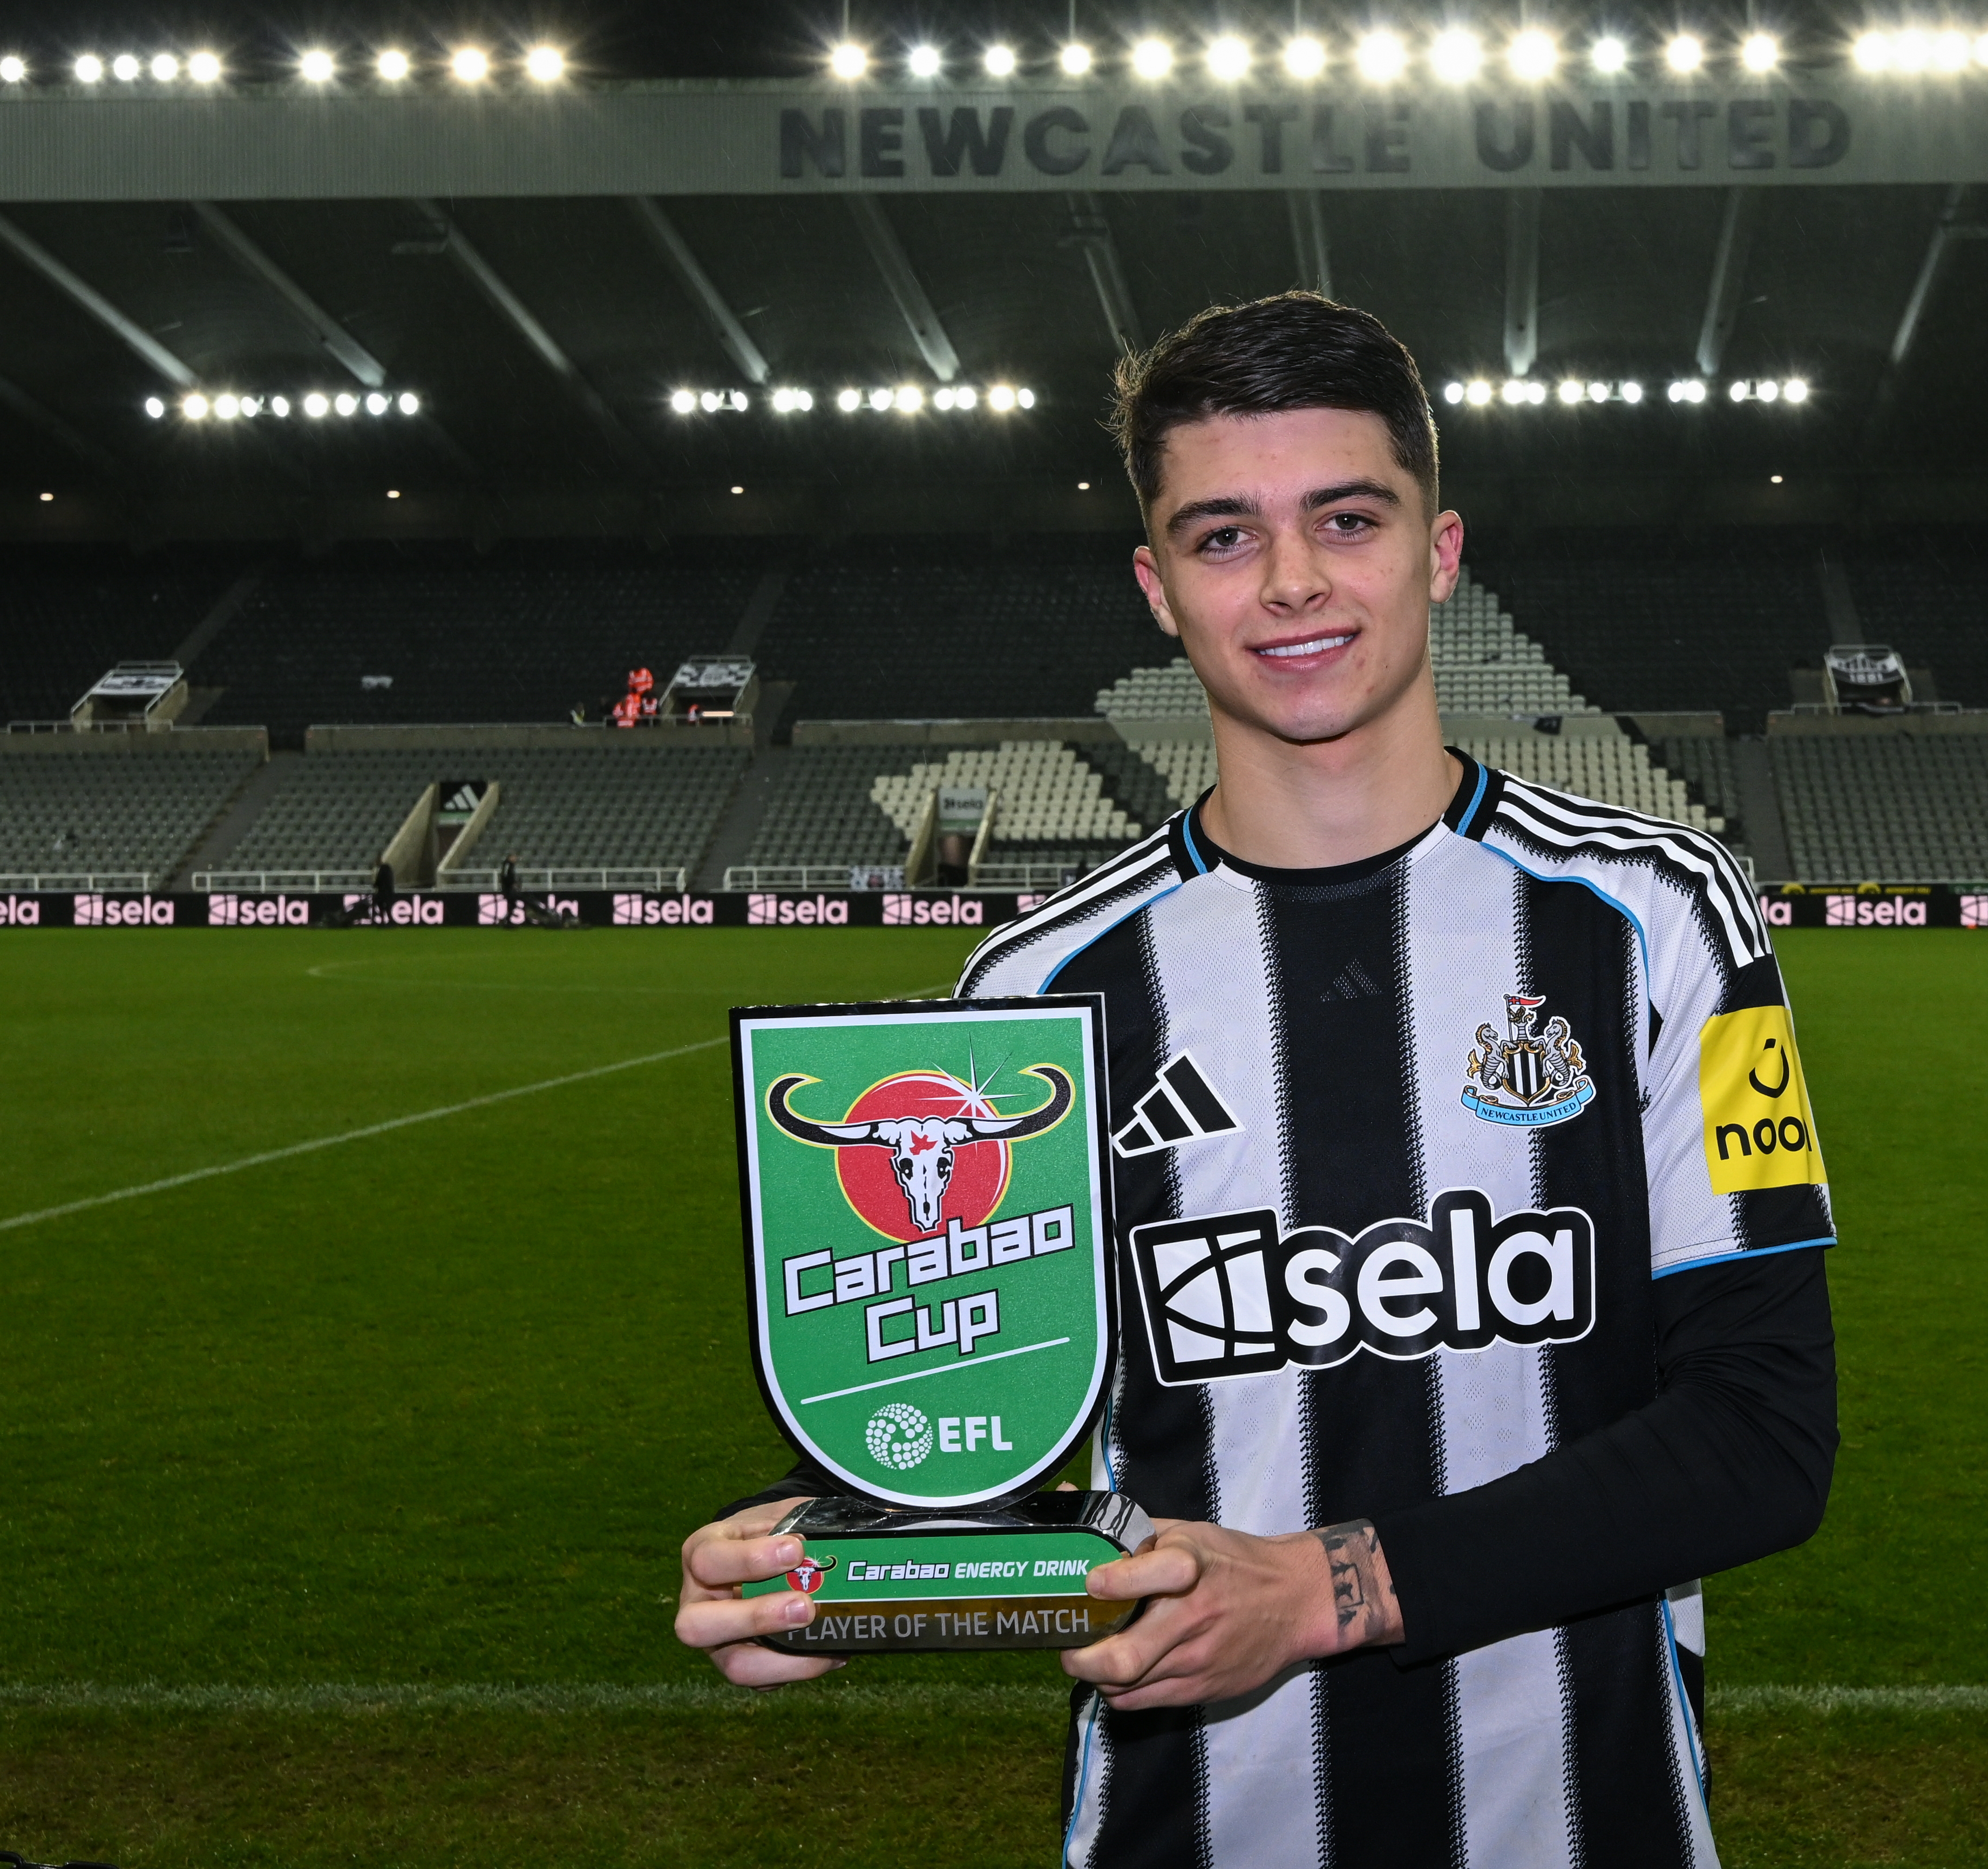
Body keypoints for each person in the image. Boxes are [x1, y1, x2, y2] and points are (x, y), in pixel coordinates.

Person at [673, 294, 1840, 1867]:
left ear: (1437, 549)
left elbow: (1759, 1434)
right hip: (1185, 1826)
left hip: (1587, 1822)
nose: (1291, 583)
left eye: (1344, 520)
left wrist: (1321, 1590)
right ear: (1158, 590)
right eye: (1223, 538)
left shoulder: (1657, 915)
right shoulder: (1037, 991)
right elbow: (993, 1445)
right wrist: (830, 1569)